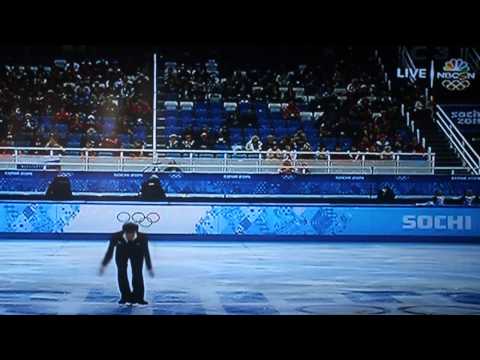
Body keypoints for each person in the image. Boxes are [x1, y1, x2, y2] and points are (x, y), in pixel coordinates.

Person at [100, 223, 154, 305]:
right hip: (121, 253)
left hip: (137, 253)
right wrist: (104, 264)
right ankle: (125, 297)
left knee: (137, 273)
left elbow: (146, 253)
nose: (130, 236)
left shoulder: (143, 237)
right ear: (124, 232)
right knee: (121, 273)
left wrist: (149, 267)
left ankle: (139, 298)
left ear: (135, 232)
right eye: (127, 234)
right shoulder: (116, 236)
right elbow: (110, 251)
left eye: (132, 234)